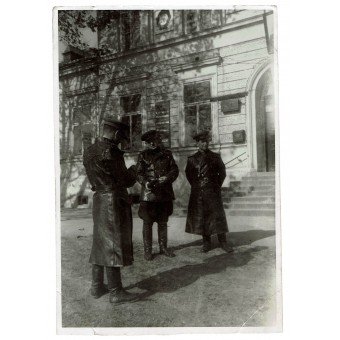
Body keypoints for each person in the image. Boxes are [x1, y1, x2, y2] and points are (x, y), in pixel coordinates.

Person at [83, 117, 139, 304]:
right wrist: (135, 169)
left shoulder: (89, 151)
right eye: (120, 136)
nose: (121, 140)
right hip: (113, 201)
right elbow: (125, 180)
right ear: (115, 134)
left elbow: (94, 179)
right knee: (113, 244)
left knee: (100, 242)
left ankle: (96, 287)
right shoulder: (112, 152)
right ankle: (116, 292)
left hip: (99, 199)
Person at [185, 131, 234, 253]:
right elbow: (189, 175)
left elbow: (222, 173)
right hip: (199, 193)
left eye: (206, 141)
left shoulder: (215, 157)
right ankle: (206, 243)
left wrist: (216, 186)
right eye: (202, 142)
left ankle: (223, 243)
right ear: (197, 143)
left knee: (218, 218)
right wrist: (198, 186)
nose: (205, 144)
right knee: (202, 217)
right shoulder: (192, 159)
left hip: (213, 192)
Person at [136, 130, 179, 260]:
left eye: (154, 140)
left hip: (164, 193)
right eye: (149, 142)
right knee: (147, 222)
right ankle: (148, 251)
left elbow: (174, 170)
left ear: (158, 140)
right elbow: (138, 173)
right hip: (148, 195)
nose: (152, 143)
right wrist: (145, 183)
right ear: (146, 143)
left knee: (163, 221)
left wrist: (166, 178)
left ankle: (163, 248)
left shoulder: (167, 154)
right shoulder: (142, 155)